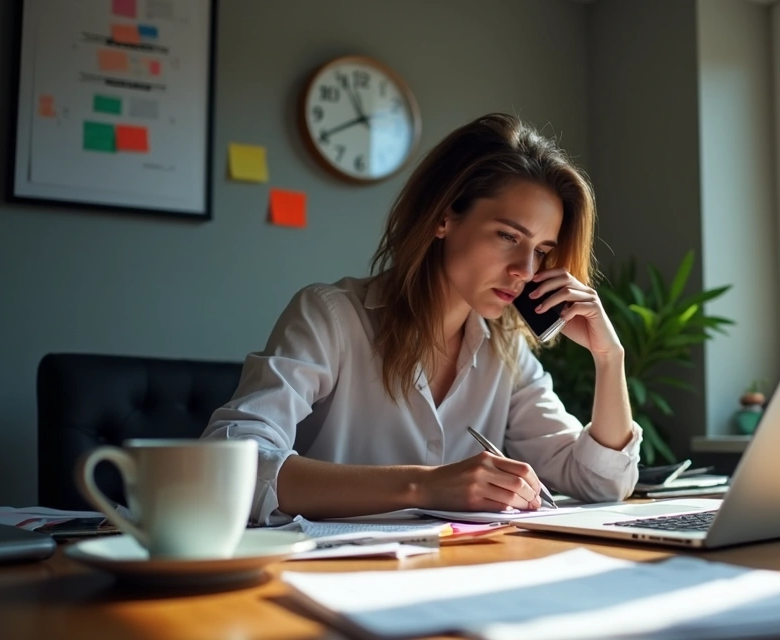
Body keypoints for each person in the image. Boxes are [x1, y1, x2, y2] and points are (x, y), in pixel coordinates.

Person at [202, 113, 642, 525]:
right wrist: (422, 485)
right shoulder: (331, 317)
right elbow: (226, 466)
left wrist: (610, 357)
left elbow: (599, 483)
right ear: (444, 217)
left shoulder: (505, 352)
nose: (526, 271)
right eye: (509, 236)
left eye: (542, 251)